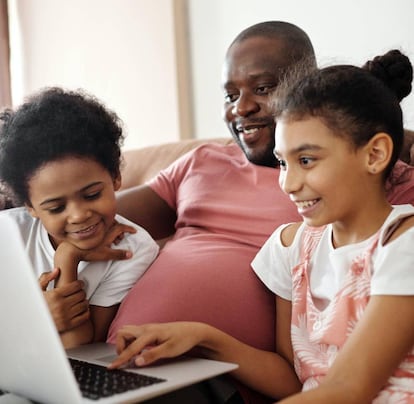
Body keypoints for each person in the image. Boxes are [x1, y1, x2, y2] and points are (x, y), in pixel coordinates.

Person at [108, 21, 414, 402]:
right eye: (283, 163)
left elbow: (348, 389)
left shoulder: (403, 244)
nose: (286, 183)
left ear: (375, 154)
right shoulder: (289, 247)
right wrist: (202, 337)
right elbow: (294, 379)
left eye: (306, 160)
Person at [0, 87, 159, 348]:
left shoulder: (133, 249)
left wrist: (68, 257)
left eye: (92, 194)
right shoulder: (8, 235)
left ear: (116, 177)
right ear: (31, 206)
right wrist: (33, 318)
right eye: (56, 208)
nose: (78, 215)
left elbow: (80, 348)